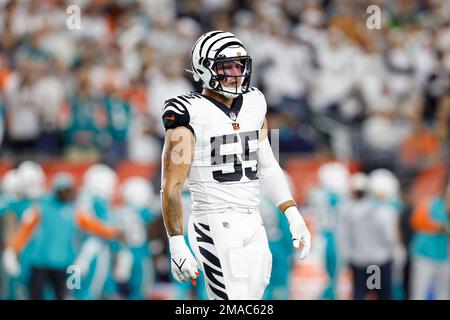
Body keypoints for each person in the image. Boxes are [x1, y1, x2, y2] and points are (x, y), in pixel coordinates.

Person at [160, 30, 311, 300]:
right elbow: (171, 186)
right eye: (225, 66)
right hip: (214, 220)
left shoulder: (255, 102)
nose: (234, 73)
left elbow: (268, 165)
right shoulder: (188, 115)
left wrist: (292, 214)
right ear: (204, 68)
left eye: (238, 65)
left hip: (253, 220)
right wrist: (176, 242)